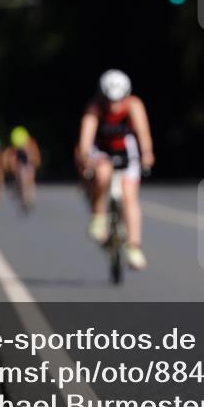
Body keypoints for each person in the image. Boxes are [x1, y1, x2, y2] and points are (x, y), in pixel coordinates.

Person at [75, 69, 155, 271]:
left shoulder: (134, 105)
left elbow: (143, 133)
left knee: (130, 197)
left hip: (127, 151)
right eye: (109, 100)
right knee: (102, 172)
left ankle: (134, 247)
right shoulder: (94, 109)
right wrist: (86, 160)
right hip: (101, 151)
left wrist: (147, 154)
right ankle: (99, 216)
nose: (114, 105)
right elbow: (85, 141)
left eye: (118, 100)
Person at [5, 125, 41, 209]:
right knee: (20, 173)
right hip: (20, 167)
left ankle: (30, 191)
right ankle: (19, 188)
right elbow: (8, 160)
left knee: (29, 173)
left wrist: (33, 162)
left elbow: (36, 158)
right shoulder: (12, 149)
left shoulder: (31, 144)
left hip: (28, 165)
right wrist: (12, 166)